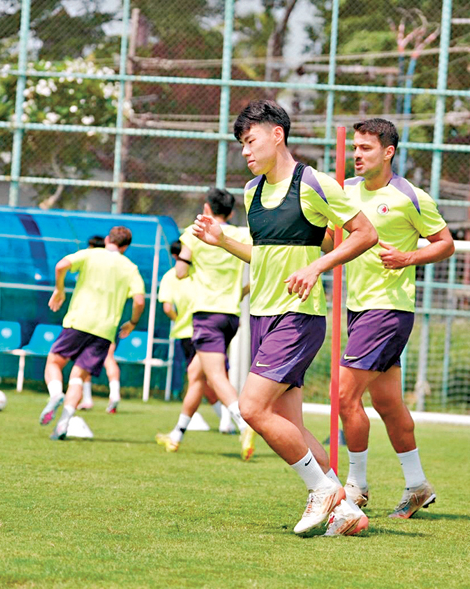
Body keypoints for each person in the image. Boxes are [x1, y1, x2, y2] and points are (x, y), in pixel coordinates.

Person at [190, 99, 378, 535]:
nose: (245, 151)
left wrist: (318, 266)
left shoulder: (313, 183)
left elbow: (365, 234)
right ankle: (346, 511)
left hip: (298, 316)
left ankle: (321, 490)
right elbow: (265, 255)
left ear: (277, 135)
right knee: (290, 424)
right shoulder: (252, 191)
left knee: (251, 408)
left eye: (250, 140)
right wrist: (223, 241)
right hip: (262, 315)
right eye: (241, 144)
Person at [328, 118, 453, 525]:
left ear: (388, 152)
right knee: (387, 403)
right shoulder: (345, 190)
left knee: (344, 395)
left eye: (365, 148)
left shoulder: (409, 197)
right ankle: (417, 485)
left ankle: (355, 487)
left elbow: (445, 244)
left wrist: (406, 257)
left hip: (388, 309)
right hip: (358, 307)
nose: (357, 154)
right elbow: (334, 241)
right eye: (354, 147)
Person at [39, 226, 146, 440]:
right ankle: (63, 423)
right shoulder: (130, 268)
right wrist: (132, 322)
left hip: (79, 321)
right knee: (78, 378)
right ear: (125, 247)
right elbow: (139, 300)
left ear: (107, 239)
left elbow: (61, 265)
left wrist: (59, 289)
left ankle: (55, 394)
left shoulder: (91, 254)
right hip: (105, 331)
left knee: (54, 362)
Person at [175, 188, 255, 459]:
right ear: (231, 213)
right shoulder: (241, 234)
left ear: (206, 208)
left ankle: (243, 423)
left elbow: (180, 272)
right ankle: (176, 434)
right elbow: (258, 262)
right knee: (196, 374)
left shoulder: (194, 231)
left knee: (216, 376)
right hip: (230, 315)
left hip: (206, 313)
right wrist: (241, 291)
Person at [156, 240, 236, 452]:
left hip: (191, 332)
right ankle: (216, 423)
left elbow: (167, 307)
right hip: (212, 326)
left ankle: (240, 421)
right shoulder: (204, 273)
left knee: (204, 378)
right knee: (205, 376)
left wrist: (179, 320)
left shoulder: (172, 276)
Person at [77, 235, 124, 414]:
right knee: (108, 357)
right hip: (110, 320)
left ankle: (87, 398)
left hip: (88, 320)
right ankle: (114, 394)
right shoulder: (117, 266)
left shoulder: (90, 264)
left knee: (84, 358)